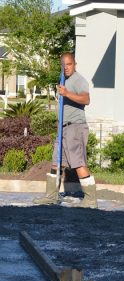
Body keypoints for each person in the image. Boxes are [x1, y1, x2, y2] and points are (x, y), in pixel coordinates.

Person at [34, 52, 98, 208]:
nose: (67, 67)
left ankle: (90, 200)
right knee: (56, 161)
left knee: (78, 162)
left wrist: (67, 93)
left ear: (75, 64)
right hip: (62, 128)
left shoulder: (79, 80)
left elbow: (86, 99)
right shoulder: (64, 80)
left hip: (75, 127)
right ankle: (51, 196)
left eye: (69, 64)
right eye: (64, 65)